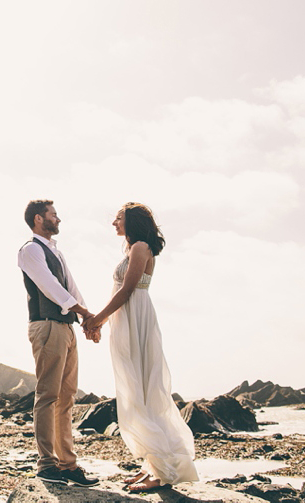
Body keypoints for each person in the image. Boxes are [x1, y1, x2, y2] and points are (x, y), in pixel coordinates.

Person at [83, 203, 199, 493]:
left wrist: (97, 319)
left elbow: (127, 290)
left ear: (132, 221)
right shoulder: (132, 248)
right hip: (128, 319)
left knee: (142, 392)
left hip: (135, 318)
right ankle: (151, 465)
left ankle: (160, 471)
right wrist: (103, 323)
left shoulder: (140, 247)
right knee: (135, 391)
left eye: (118, 218)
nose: (113, 223)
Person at [18, 200, 99, 487]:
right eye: (54, 215)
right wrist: (84, 313)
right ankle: (46, 464)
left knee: (66, 399)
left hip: (66, 328)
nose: (58, 219)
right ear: (39, 219)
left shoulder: (57, 252)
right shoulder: (30, 250)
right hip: (47, 326)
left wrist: (90, 321)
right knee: (48, 396)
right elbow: (50, 287)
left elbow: (70, 287)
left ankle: (68, 465)